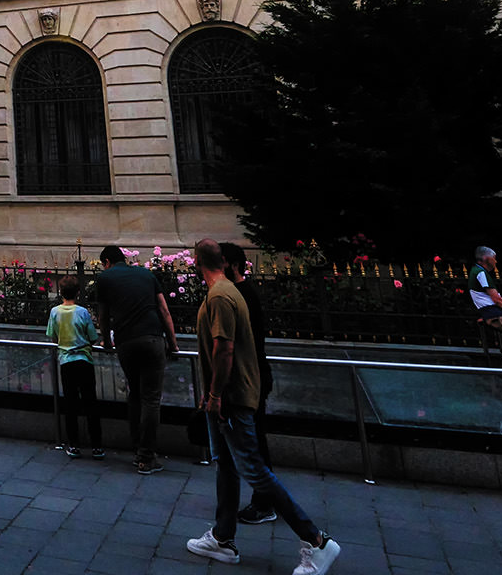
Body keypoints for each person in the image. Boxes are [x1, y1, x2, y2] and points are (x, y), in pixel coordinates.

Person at [186, 240, 342, 574]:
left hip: (232, 398)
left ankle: (317, 541)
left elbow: (224, 349)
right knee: (227, 466)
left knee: (254, 470)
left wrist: (215, 394)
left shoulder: (220, 296)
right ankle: (222, 538)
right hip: (229, 395)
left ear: (197, 262)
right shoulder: (228, 291)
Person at [91, 243, 179, 474]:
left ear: (107, 262)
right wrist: (173, 343)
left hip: (126, 341)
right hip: (152, 337)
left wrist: (107, 342)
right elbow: (164, 310)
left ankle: (138, 448)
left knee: (135, 393)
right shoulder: (145, 273)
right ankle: (147, 457)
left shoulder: (105, 278)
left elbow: (103, 315)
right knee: (151, 398)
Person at [222, 241, 279, 523]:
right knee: (247, 445)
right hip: (251, 375)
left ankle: (266, 502)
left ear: (231, 265)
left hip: (249, 378)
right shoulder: (242, 293)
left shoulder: (238, 295)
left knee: (254, 445)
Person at [46, 276, 103, 459]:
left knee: (70, 403)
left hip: (66, 361)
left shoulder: (55, 312)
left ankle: (74, 445)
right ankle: (97, 446)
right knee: (90, 403)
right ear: (78, 293)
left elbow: (53, 336)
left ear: (61, 293)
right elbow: (92, 336)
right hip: (84, 360)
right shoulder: (83, 312)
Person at [469, 246, 502, 338]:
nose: (495, 261)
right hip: (497, 314)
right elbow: (497, 299)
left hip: (488, 314)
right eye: (494, 258)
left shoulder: (474, 271)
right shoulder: (481, 272)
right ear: (487, 258)